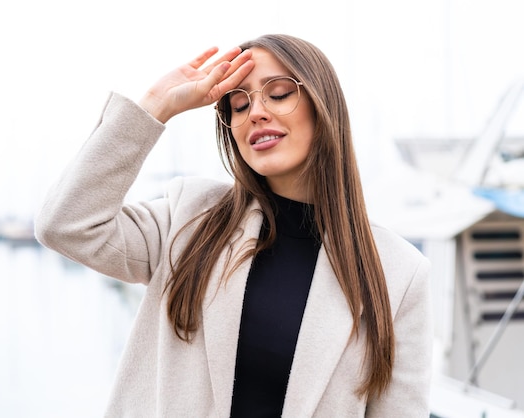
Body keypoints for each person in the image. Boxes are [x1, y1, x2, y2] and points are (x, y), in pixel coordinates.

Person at [34, 34, 433, 417]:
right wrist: (156, 105)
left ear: (321, 104)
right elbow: (66, 224)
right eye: (238, 105)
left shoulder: (399, 273)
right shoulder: (189, 218)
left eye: (278, 93)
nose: (256, 112)